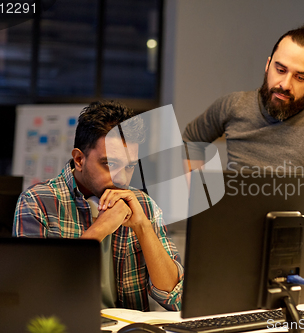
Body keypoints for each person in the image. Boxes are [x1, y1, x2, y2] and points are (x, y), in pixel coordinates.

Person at [13, 101, 183, 311]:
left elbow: (177, 298)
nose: (121, 179)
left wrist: (143, 227)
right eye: (109, 164)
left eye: (129, 166)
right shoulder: (37, 202)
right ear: (79, 159)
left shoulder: (143, 205)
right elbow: (33, 296)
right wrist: (100, 229)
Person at [182, 25, 304, 175]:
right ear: (268, 65)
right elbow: (192, 138)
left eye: (300, 77)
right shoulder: (234, 106)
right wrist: (199, 196)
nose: (285, 84)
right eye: (280, 70)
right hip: (235, 208)